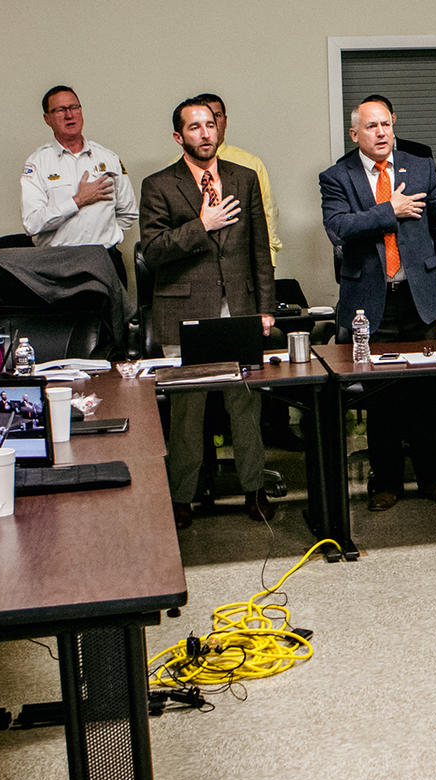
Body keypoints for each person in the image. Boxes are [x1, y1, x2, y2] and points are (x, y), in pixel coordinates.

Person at [320, 97, 436, 511]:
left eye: (386, 124)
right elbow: (339, 228)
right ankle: (385, 482)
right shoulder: (338, 176)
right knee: (382, 397)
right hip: (369, 303)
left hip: (419, 297)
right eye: (371, 127)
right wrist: (389, 211)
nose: (382, 132)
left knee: (427, 394)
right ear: (356, 135)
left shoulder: (420, 166)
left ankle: (433, 478)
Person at [141, 97, 278, 524]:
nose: (205, 133)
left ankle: (254, 491)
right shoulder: (159, 184)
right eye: (194, 127)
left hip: (237, 309)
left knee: (245, 406)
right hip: (184, 313)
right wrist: (203, 225)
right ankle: (181, 498)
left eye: (209, 125)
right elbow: (153, 251)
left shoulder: (245, 177)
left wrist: (265, 308)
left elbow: (259, 247)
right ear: (179, 137)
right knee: (187, 412)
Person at [21, 85, 137, 247]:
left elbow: (128, 212)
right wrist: (77, 201)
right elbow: (32, 224)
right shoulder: (37, 163)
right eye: (60, 110)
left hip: (103, 257)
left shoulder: (108, 157)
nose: (69, 115)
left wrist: (107, 238)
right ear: (47, 119)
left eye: (74, 107)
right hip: (58, 262)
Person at [188, 93, 281, 263]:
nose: (212, 124)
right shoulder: (175, 172)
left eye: (216, 116)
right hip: (195, 264)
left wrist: (269, 261)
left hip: (241, 263)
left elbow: (268, 216)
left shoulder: (250, 165)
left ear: (225, 120)